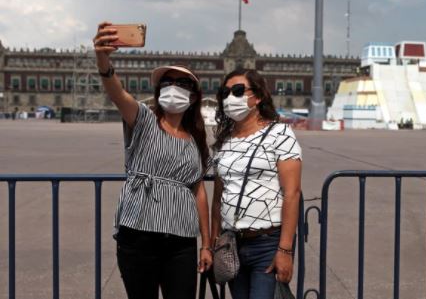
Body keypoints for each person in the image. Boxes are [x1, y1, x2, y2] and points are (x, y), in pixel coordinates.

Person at [93, 22, 212, 299]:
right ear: (158, 91)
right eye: (167, 83)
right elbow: (117, 93)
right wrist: (102, 58)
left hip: (182, 239)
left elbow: (199, 192)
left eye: (182, 83)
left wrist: (206, 243)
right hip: (139, 234)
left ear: (193, 96)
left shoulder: (194, 139)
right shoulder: (144, 120)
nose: (173, 88)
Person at [210, 68, 302, 298]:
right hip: (232, 244)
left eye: (239, 90)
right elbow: (218, 196)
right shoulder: (225, 139)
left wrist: (285, 249)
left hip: (267, 243)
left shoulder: (280, 134)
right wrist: (212, 242)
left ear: (258, 96)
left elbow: (292, 192)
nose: (231, 97)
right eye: (225, 92)